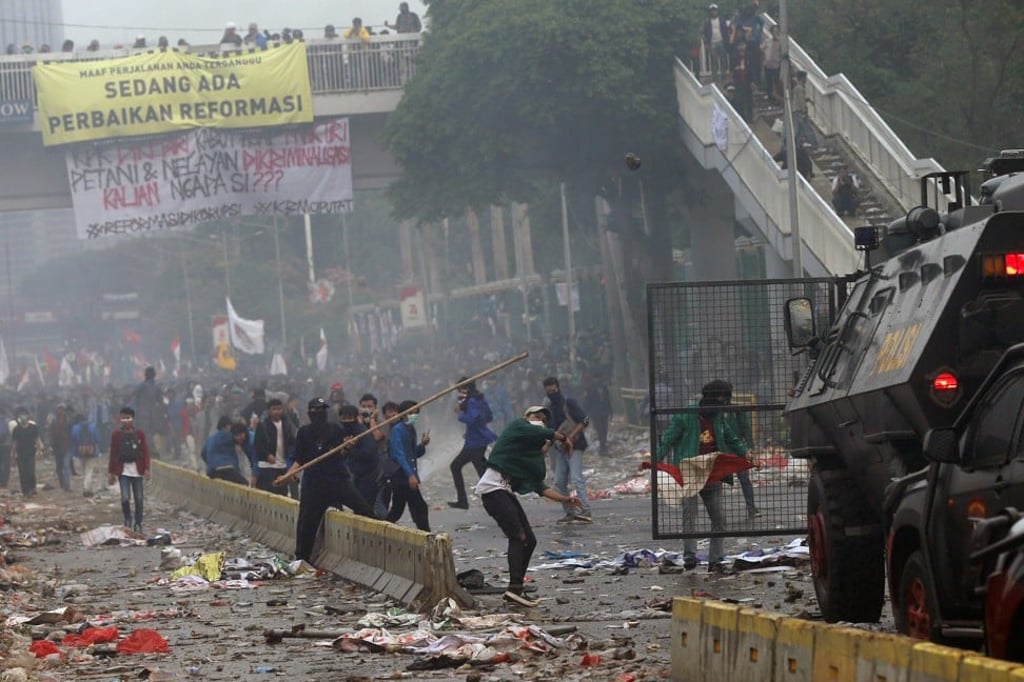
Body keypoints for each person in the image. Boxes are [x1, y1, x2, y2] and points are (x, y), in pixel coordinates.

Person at [476, 406, 582, 607]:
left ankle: (516, 590)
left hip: (503, 491)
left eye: (543, 419)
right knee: (518, 537)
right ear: (526, 417)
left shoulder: (528, 457)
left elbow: (541, 488)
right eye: (536, 416)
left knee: (530, 540)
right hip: (492, 490)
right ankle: (515, 589)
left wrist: (564, 499)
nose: (539, 420)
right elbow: (539, 432)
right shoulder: (517, 426)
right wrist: (561, 437)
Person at [655, 380, 749, 573]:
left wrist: (746, 453)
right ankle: (690, 556)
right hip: (689, 472)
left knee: (718, 518)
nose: (723, 405)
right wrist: (656, 460)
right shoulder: (687, 415)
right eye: (722, 399)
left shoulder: (719, 418)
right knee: (690, 514)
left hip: (711, 473)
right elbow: (668, 438)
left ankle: (715, 559)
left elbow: (731, 436)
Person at [275, 398, 376, 564]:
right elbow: (300, 459)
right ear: (309, 413)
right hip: (313, 483)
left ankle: (382, 539)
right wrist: (288, 474)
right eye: (316, 411)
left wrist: (346, 447)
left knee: (364, 509)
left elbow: (341, 453)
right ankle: (302, 560)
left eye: (322, 411)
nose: (319, 414)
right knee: (306, 523)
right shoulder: (304, 432)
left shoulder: (335, 429)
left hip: (337, 480)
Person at [542, 376, 593, 523]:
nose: (552, 393)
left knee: (576, 478)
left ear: (558, 388)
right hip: (560, 448)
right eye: (549, 392)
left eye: (554, 390)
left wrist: (570, 437)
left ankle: (585, 510)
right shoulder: (549, 407)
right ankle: (570, 512)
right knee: (559, 482)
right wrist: (547, 446)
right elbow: (551, 431)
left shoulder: (568, 402)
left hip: (575, 445)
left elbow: (584, 420)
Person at [447, 378, 497, 509]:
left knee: (481, 473)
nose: (459, 393)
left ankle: (494, 501)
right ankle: (465, 501)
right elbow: (488, 417)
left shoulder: (472, 401)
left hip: (475, 442)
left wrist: (460, 413)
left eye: (461, 390)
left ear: (466, 389)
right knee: (464, 468)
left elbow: (472, 419)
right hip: (476, 440)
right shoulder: (480, 399)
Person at [386, 400, 431, 532]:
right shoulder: (398, 430)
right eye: (411, 412)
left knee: (397, 509)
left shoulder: (410, 429)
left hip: (406, 475)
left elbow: (412, 454)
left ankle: (382, 529)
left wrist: (422, 445)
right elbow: (398, 454)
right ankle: (425, 535)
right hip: (401, 476)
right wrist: (410, 474)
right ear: (402, 414)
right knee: (419, 507)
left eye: (416, 412)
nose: (414, 415)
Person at [108, 407, 151, 532]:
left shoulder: (140, 434)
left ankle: (138, 523)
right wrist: (111, 472)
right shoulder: (116, 435)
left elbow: (145, 451)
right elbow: (113, 453)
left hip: (137, 471)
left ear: (133, 419)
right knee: (125, 497)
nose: (125, 421)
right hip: (123, 471)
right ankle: (127, 518)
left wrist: (147, 468)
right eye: (123, 418)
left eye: (128, 418)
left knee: (139, 498)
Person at [340, 405, 380, 511]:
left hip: (369, 474)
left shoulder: (362, 433)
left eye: (349, 418)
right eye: (344, 418)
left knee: (366, 506)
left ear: (356, 418)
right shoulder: (343, 432)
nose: (346, 421)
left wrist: (350, 449)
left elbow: (369, 454)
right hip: (356, 475)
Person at [252, 398, 296, 494]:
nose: (277, 412)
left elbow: (291, 443)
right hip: (267, 467)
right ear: (269, 410)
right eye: (274, 409)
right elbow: (258, 445)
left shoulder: (287, 425)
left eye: (279, 409)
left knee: (282, 494)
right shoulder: (263, 426)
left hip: (282, 466)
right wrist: (267, 455)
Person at [201, 417, 249, 485]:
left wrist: (212, 463)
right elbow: (239, 440)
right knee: (245, 484)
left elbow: (203, 453)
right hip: (226, 470)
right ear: (226, 426)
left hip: (212, 472)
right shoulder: (229, 434)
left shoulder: (210, 439)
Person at [11, 407, 42, 498]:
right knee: (23, 473)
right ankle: (25, 491)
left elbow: (37, 439)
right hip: (20, 454)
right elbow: (14, 443)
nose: (23, 416)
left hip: (31, 453)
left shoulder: (33, 428)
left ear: (28, 416)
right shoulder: (16, 429)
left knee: (30, 472)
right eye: (21, 415)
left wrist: (39, 451)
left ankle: (32, 488)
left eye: (24, 414)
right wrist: (13, 456)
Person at [71, 412, 102, 497]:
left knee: (84, 470)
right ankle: (86, 488)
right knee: (89, 470)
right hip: (92, 451)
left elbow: (73, 440)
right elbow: (97, 439)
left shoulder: (75, 428)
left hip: (80, 451)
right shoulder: (93, 426)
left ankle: (88, 488)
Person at [48, 404, 73, 491]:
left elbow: (72, 433)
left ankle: (67, 485)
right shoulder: (54, 421)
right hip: (57, 446)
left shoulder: (69, 421)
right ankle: (62, 483)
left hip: (67, 446)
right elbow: (51, 433)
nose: (61, 411)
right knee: (59, 467)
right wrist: (51, 444)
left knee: (66, 465)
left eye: (62, 410)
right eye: (60, 409)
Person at [702, 4, 729, 82]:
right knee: (714, 61)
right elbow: (704, 33)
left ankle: (723, 77)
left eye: (715, 10)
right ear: (710, 12)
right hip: (712, 43)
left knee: (723, 60)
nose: (713, 12)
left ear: (717, 11)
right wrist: (706, 43)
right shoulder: (707, 22)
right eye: (712, 10)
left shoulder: (722, 20)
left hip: (721, 41)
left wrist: (727, 42)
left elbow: (726, 31)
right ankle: (715, 78)